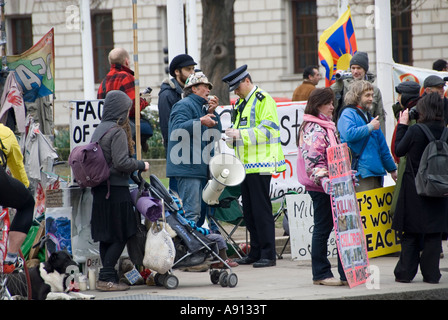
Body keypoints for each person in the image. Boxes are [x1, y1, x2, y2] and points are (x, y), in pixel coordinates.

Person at [223, 65, 286, 268]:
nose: (235, 91)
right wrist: (231, 139)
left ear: (247, 81)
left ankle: (268, 254)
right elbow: (242, 132)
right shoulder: (242, 103)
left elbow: (269, 131)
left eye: (237, 86)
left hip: (260, 164)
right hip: (245, 166)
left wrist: (239, 135)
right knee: (249, 212)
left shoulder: (263, 99)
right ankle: (256, 252)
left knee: (261, 211)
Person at [90, 90, 150, 291]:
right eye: (126, 109)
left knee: (106, 234)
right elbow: (122, 162)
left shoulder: (99, 129)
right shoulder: (117, 131)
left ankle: (107, 276)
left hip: (100, 191)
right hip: (116, 191)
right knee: (122, 233)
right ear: (120, 110)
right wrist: (142, 165)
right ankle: (107, 278)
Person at [392, 93, 448, 284]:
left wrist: (402, 125)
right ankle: (432, 275)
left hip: (414, 189)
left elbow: (398, 150)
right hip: (439, 189)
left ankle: (405, 273)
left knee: (411, 233)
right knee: (434, 234)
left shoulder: (416, 131)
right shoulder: (446, 131)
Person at [296, 87, 347, 286]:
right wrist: (325, 180)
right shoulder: (315, 128)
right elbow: (314, 162)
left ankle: (346, 272)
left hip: (334, 184)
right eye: (329, 103)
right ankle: (321, 274)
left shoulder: (325, 125)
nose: (332, 107)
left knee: (339, 228)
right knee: (323, 228)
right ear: (318, 105)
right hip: (322, 187)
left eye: (333, 103)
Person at [166, 72, 221, 224]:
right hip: (188, 168)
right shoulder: (183, 105)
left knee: (197, 215)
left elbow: (215, 135)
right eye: (205, 87)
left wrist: (211, 113)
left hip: (197, 168)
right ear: (194, 89)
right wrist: (201, 121)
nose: (209, 90)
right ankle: (189, 248)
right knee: (191, 215)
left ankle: (193, 246)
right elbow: (176, 130)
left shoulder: (202, 108)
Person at [337, 80, 397, 192]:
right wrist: (369, 127)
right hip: (361, 173)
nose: (371, 99)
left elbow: (383, 148)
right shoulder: (348, 113)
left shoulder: (370, 118)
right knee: (363, 210)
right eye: (367, 95)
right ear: (357, 96)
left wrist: (392, 169)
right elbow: (349, 134)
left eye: (372, 95)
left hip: (376, 172)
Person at [97, 48, 153, 152]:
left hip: (107, 132)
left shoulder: (103, 82)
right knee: (131, 163)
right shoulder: (126, 77)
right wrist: (144, 101)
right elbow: (133, 107)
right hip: (126, 131)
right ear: (126, 61)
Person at [158, 54, 197, 192]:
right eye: (188, 69)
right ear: (177, 72)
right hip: (178, 156)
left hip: (191, 154)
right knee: (178, 201)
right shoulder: (167, 94)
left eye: (193, 69)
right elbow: (167, 128)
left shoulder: (187, 92)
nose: (192, 73)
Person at [0, 123, 35, 273]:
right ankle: (10, 259)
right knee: (27, 204)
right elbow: (17, 167)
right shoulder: (5, 132)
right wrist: (25, 187)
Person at [331, 51, 386, 136]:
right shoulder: (342, 86)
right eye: (353, 68)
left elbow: (380, 117)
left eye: (359, 68)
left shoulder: (375, 90)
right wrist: (338, 83)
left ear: (365, 70)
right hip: (347, 136)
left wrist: (381, 142)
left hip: (368, 137)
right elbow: (329, 100)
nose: (355, 71)